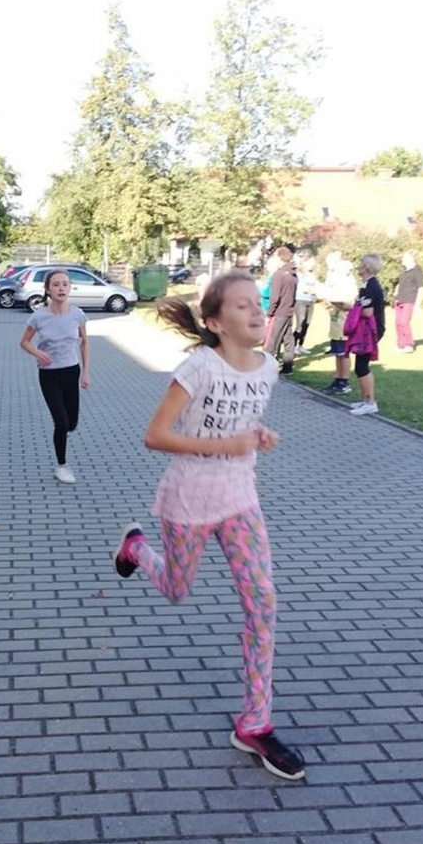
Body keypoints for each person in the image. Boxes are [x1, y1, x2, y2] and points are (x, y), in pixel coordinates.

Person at [111, 270, 305, 781]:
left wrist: (256, 435)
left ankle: (254, 723)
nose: (256, 311)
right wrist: (225, 445)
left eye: (256, 303)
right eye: (241, 306)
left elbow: (237, 426)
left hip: (240, 499)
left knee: (263, 603)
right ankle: (135, 548)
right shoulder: (199, 367)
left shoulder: (267, 369)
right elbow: (156, 436)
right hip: (188, 499)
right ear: (216, 323)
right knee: (177, 589)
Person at [20, 268, 90, 484]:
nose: (61, 288)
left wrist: (85, 372)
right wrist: (37, 352)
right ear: (48, 290)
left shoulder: (77, 314)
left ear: (69, 288)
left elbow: (85, 342)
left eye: (65, 284)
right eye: (56, 284)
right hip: (49, 375)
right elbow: (24, 342)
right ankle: (62, 466)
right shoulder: (39, 316)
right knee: (60, 422)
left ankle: (65, 433)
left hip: (71, 371)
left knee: (71, 423)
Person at [347, 254, 386, 416]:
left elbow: (368, 311)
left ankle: (370, 402)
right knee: (360, 365)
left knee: (362, 366)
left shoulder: (370, 287)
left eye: (361, 264)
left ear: (367, 267)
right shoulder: (366, 285)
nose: (358, 267)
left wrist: (352, 310)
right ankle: (365, 400)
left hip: (371, 329)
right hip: (367, 329)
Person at [321, 251, 357, 394]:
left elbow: (351, 304)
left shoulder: (349, 284)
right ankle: (338, 378)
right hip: (335, 322)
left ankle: (345, 381)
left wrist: (338, 303)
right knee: (337, 353)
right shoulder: (336, 282)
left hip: (345, 323)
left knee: (344, 353)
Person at [264, 246, 297, 374]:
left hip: (279, 312)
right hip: (289, 310)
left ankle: (267, 368)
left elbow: (275, 296)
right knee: (288, 339)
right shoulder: (293, 274)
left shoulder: (279, 275)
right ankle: (288, 366)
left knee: (272, 340)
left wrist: (269, 313)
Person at [393, 251, 423, 352]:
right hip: (399, 300)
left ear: (411, 259)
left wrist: (417, 304)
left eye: (404, 258)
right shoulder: (404, 271)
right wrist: (396, 293)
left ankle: (409, 345)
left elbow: (421, 288)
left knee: (404, 322)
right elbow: (400, 284)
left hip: (409, 300)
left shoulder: (417, 270)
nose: (402, 260)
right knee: (398, 323)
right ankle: (401, 345)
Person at [292, 249, 319, 355]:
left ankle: (301, 345)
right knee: (300, 322)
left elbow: (315, 286)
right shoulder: (299, 274)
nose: (312, 265)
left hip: (310, 300)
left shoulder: (312, 275)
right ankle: (293, 346)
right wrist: (309, 289)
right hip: (301, 300)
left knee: (307, 323)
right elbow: (300, 287)